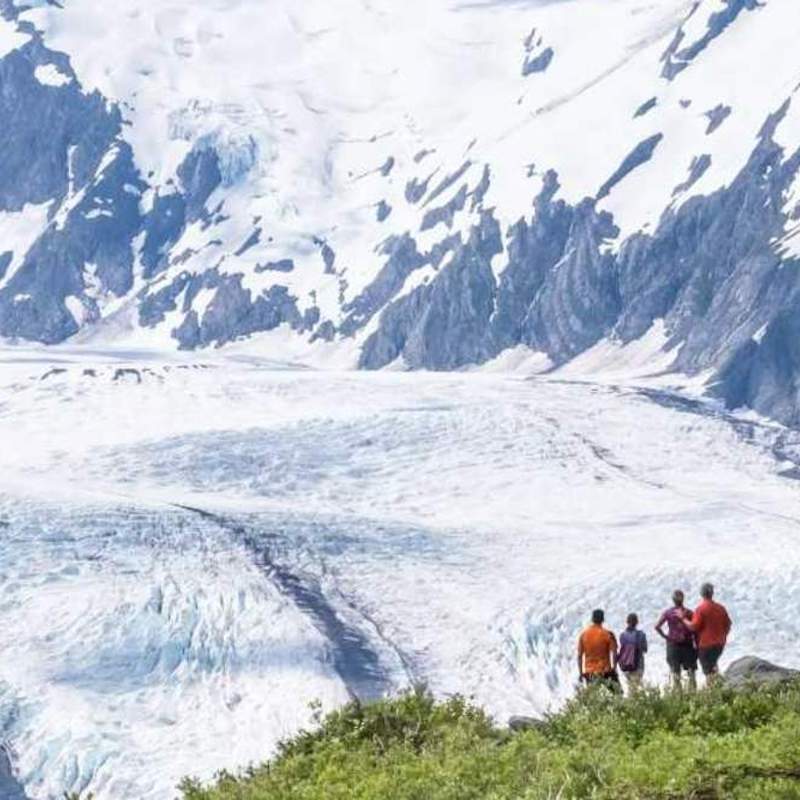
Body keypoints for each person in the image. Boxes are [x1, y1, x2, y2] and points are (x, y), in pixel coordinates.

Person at [680, 582, 732, 685]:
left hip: (706, 645)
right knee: (713, 666)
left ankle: (712, 694)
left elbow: (693, 627)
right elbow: (728, 624)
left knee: (708, 671)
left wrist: (683, 619)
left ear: (701, 594)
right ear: (712, 593)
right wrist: (723, 635)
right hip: (719, 643)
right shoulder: (721, 608)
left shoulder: (701, 609)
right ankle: (719, 687)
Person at [655, 590, 697, 691]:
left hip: (673, 645)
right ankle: (693, 694)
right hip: (687, 644)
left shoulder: (668, 613)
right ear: (683, 598)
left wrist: (666, 637)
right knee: (691, 673)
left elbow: (657, 626)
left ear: (673, 600)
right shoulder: (689, 612)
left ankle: (678, 697)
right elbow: (695, 628)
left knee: (675, 673)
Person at [577, 609, 620, 690]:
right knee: (618, 693)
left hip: (590, 672)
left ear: (592, 619)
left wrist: (581, 673)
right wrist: (614, 669)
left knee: (593, 698)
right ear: (603, 619)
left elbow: (579, 656)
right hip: (606, 671)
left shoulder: (583, 635)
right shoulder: (608, 634)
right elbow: (614, 653)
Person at [618, 613, 648, 693]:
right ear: (637, 622)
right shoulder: (641, 634)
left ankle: (631, 703)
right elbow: (645, 649)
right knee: (634, 689)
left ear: (627, 622)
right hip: (638, 665)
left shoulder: (622, 635)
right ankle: (632, 703)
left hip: (626, 665)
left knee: (631, 687)